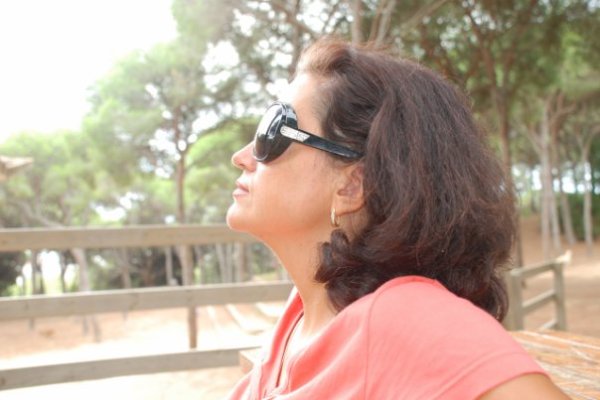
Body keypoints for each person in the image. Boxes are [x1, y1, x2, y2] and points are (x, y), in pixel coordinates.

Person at [225, 37, 569, 399]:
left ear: (352, 186)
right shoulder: (303, 313)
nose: (241, 156)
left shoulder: (403, 316)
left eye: (272, 130)